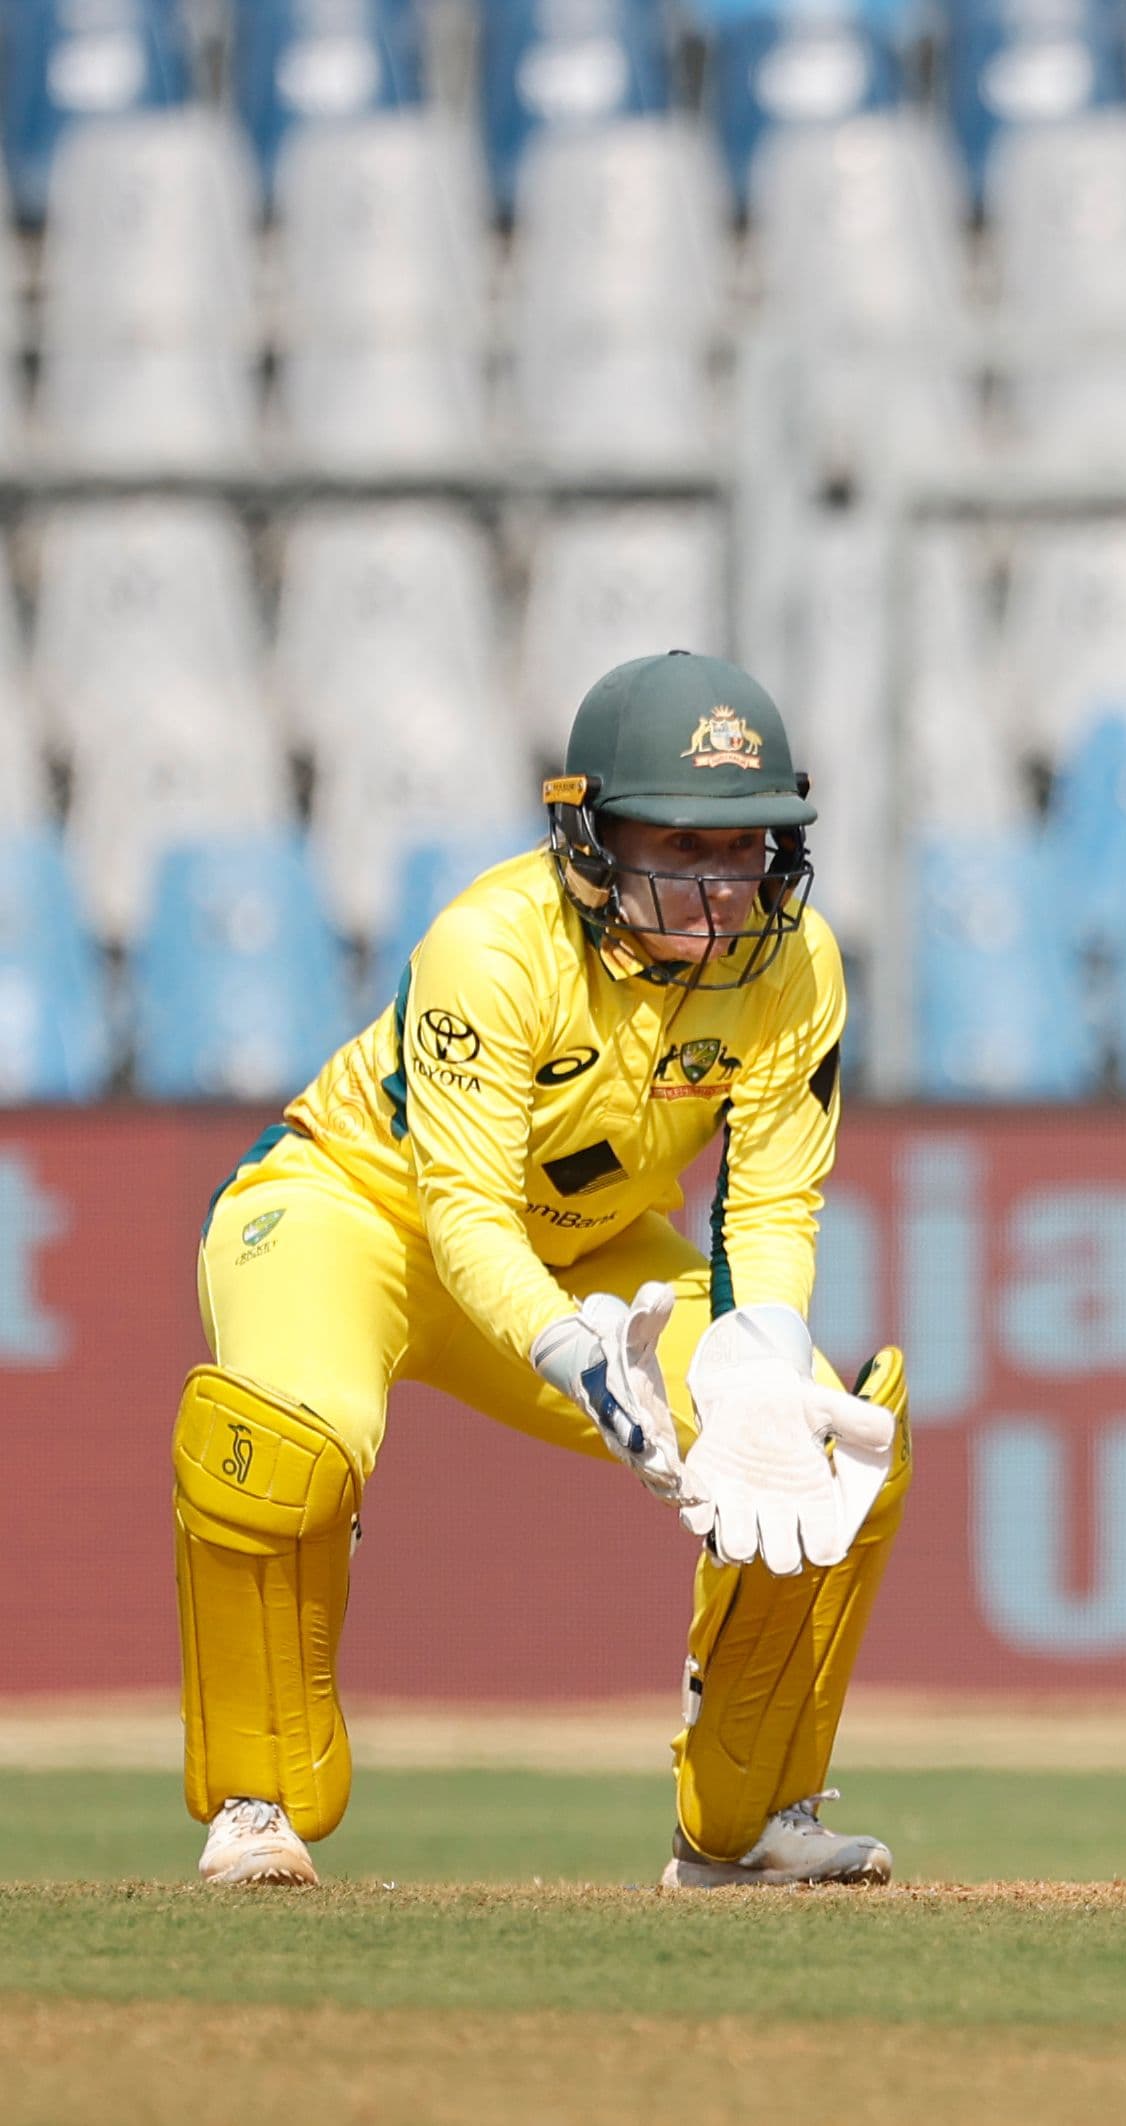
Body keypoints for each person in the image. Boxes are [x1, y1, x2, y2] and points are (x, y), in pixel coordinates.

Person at [181, 651, 912, 1889]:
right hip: (353, 1211)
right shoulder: (492, 943)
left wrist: (762, 1358)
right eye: (681, 847)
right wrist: (575, 1354)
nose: (722, 887)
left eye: (746, 850)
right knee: (296, 1444)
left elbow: (775, 1197)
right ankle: (256, 1801)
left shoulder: (797, 963)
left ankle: (746, 1822)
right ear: (589, 837)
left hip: (590, 1247)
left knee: (818, 1451)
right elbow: (460, 1206)